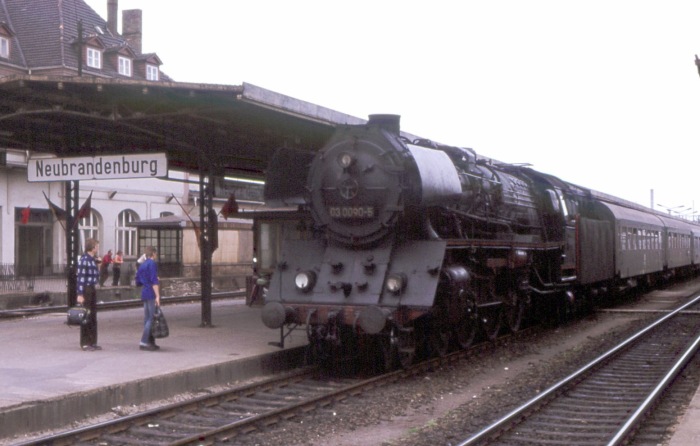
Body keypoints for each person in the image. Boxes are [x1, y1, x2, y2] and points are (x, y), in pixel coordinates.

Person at [76, 238, 101, 351]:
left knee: (93, 316)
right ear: (92, 247)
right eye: (97, 246)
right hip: (86, 289)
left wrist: (99, 265)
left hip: (92, 288)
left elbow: (96, 275)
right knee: (86, 316)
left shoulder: (92, 260)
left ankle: (93, 341)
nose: (98, 248)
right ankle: (85, 343)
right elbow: (80, 278)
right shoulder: (84, 260)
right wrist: (80, 294)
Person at [135, 246, 161, 351]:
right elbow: (154, 280)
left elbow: (138, 281)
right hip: (151, 292)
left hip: (144, 292)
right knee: (151, 318)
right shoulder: (152, 264)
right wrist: (158, 296)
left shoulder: (142, 265)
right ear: (153, 254)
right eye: (156, 254)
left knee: (147, 318)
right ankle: (144, 341)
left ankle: (150, 341)